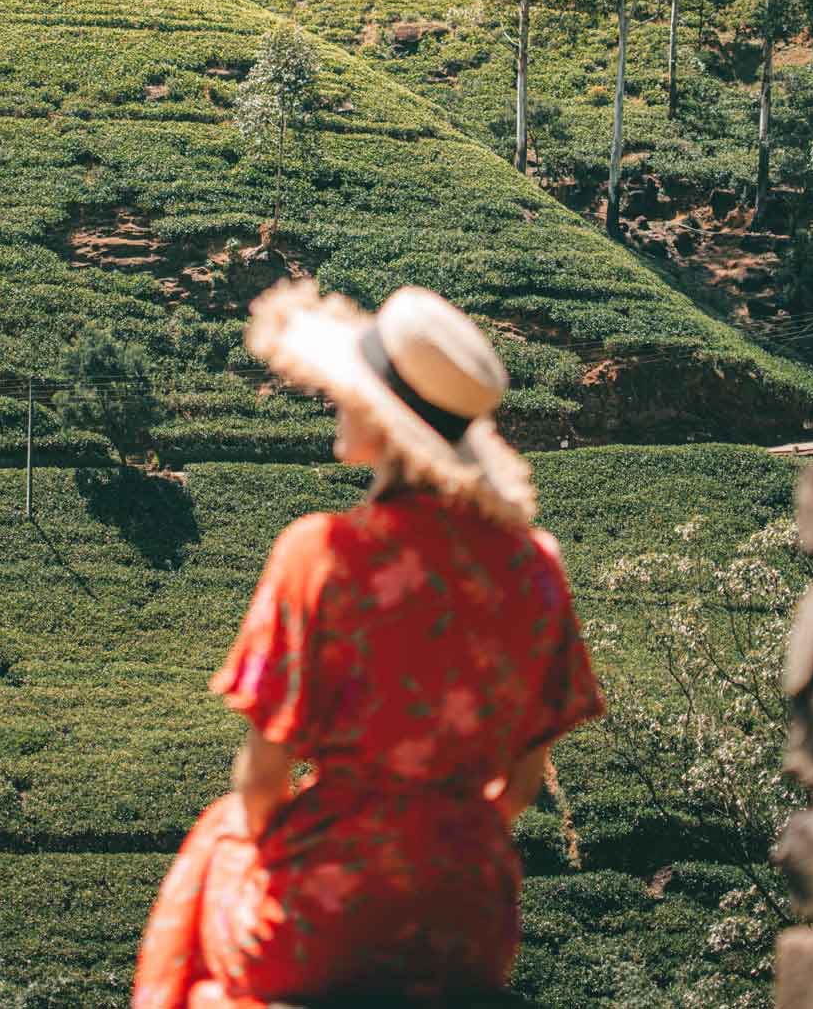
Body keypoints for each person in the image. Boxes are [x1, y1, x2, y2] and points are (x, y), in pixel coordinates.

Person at [134, 280, 604, 1009]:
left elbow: (259, 786)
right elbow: (518, 788)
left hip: (330, 917)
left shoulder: (321, 553)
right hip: (470, 913)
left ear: (382, 423)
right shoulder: (536, 567)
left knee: (218, 837)